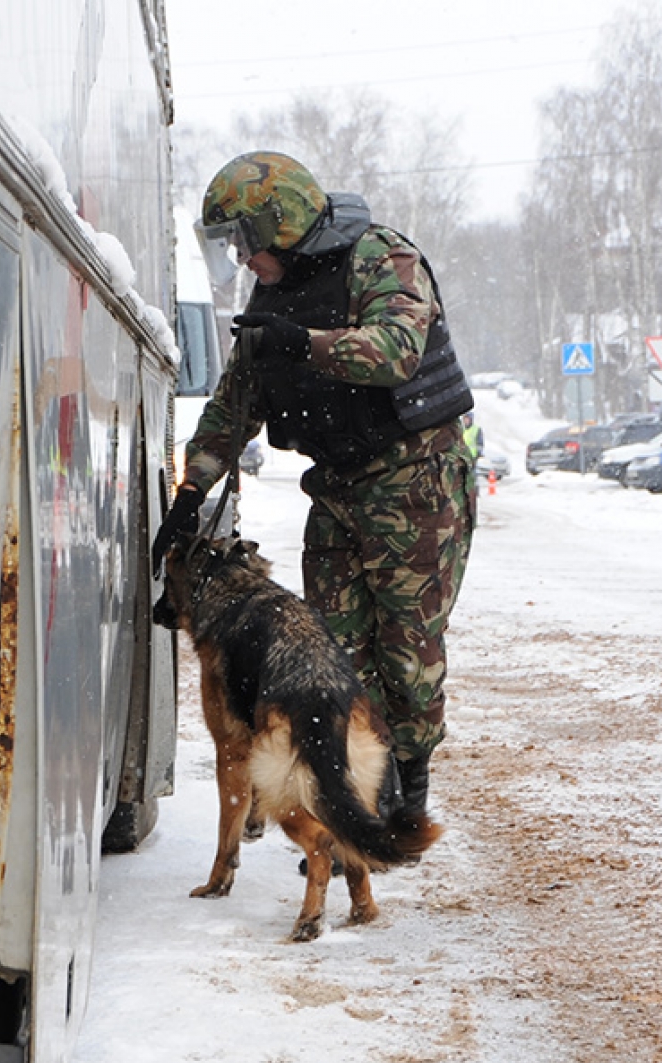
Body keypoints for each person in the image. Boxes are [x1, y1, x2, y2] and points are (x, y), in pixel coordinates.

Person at [152, 150, 476, 815]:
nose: (241, 258)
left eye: (245, 240)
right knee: (328, 651)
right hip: (337, 485)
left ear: (284, 224)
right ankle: (354, 799)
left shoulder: (382, 258)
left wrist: (306, 342)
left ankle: (404, 792)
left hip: (415, 480)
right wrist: (191, 493)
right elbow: (234, 402)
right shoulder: (274, 294)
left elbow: (396, 350)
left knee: (407, 652)